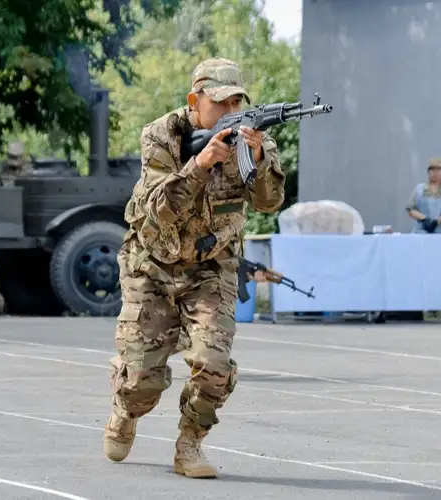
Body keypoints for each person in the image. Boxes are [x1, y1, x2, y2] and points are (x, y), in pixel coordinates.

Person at [104, 57, 285, 478]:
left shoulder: (253, 140)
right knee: (141, 382)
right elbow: (158, 211)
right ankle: (125, 411)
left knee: (214, 364)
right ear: (195, 100)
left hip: (211, 267)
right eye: (220, 102)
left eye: (237, 102)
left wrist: (258, 158)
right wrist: (199, 166)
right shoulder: (161, 135)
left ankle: (190, 443)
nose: (230, 111)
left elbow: (269, 203)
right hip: (152, 264)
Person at [406, 157, 441, 233]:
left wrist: (436, 222)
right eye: (432, 169)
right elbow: (411, 209)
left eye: (438, 169)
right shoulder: (419, 189)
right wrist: (425, 219)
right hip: (422, 233)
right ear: (428, 172)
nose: (435, 171)